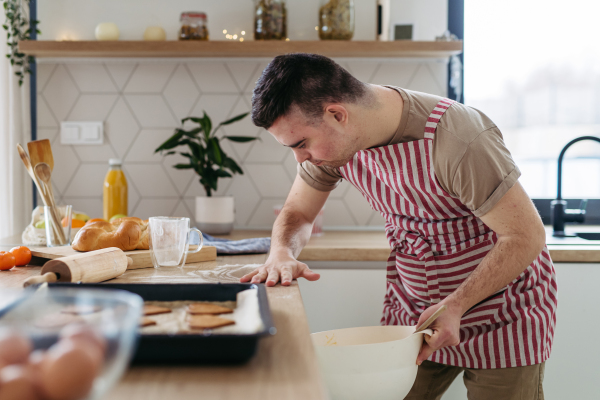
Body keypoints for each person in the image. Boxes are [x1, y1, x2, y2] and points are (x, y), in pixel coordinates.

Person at [241, 53, 556, 399]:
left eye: (301, 144)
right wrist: (281, 252)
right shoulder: (334, 145)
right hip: (415, 315)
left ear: (337, 114)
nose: (300, 158)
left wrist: (456, 305)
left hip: (501, 315)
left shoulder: (458, 139)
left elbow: (525, 235)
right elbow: (298, 212)